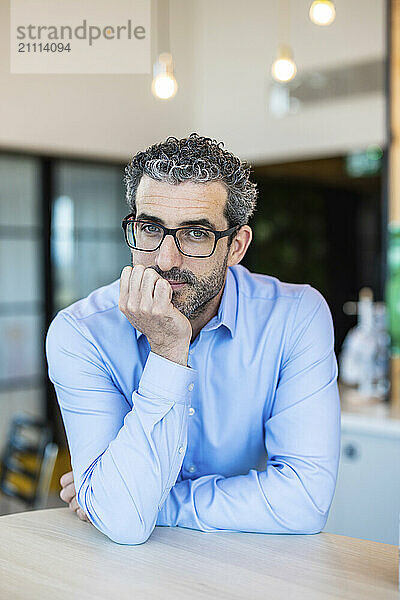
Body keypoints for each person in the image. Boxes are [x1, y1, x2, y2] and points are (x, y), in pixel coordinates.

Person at [46, 133, 341, 545]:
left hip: (253, 566)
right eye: (150, 229)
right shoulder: (81, 333)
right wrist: (169, 352)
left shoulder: (295, 316)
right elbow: (124, 526)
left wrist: (142, 502)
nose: (165, 260)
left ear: (236, 245)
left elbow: (305, 500)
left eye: (196, 234)